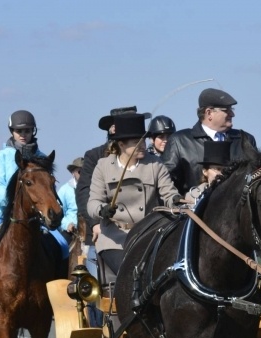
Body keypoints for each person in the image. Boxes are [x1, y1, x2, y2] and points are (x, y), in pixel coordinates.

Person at [0, 110, 71, 313]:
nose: (23, 134)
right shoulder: (0, 157)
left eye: (27, 130)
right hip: (0, 214)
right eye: (18, 130)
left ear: (33, 131)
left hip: (36, 218)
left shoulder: (41, 158)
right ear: (12, 131)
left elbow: (46, 188)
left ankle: (60, 294)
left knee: (63, 245)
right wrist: (11, 205)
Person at [87, 112, 180, 276]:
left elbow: (169, 193)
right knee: (132, 271)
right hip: (115, 239)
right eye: (136, 142)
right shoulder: (103, 166)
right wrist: (102, 210)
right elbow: (93, 202)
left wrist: (176, 200)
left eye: (143, 140)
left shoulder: (155, 164)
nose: (143, 145)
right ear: (121, 144)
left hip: (148, 234)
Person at [75, 106, 143, 281]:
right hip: (101, 231)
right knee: (98, 290)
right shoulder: (94, 156)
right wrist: (95, 223)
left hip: (139, 231)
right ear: (112, 129)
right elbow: (84, 193)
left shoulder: (145, 158)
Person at [161, 88, 256, 194]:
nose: (232, 114)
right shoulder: (180, 141)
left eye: (232, 110)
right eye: (226, 111)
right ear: (209, 113)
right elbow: (166, 182)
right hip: (193, 208)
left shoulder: (245, 140)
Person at [58, 157, 83, 237]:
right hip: (71, 231)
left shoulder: (95, 188)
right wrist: (67, 224)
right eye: (80, 171)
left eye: (86, 171)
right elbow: (58, 213)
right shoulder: (64, 190)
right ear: (73, 172)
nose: (83, 174)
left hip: (91, 230)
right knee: (62, 247)